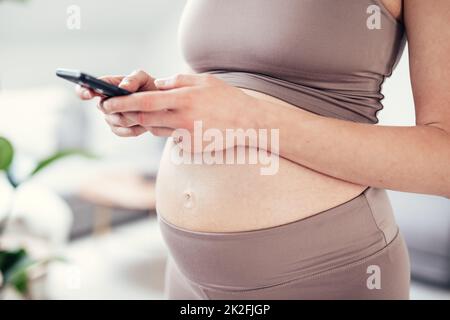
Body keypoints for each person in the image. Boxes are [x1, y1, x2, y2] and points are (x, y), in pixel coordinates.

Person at [76, 0, 450, 299]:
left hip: (323, 272)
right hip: (186, 272)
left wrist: (250, 117)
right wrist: (160, 103)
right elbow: (236, 84)